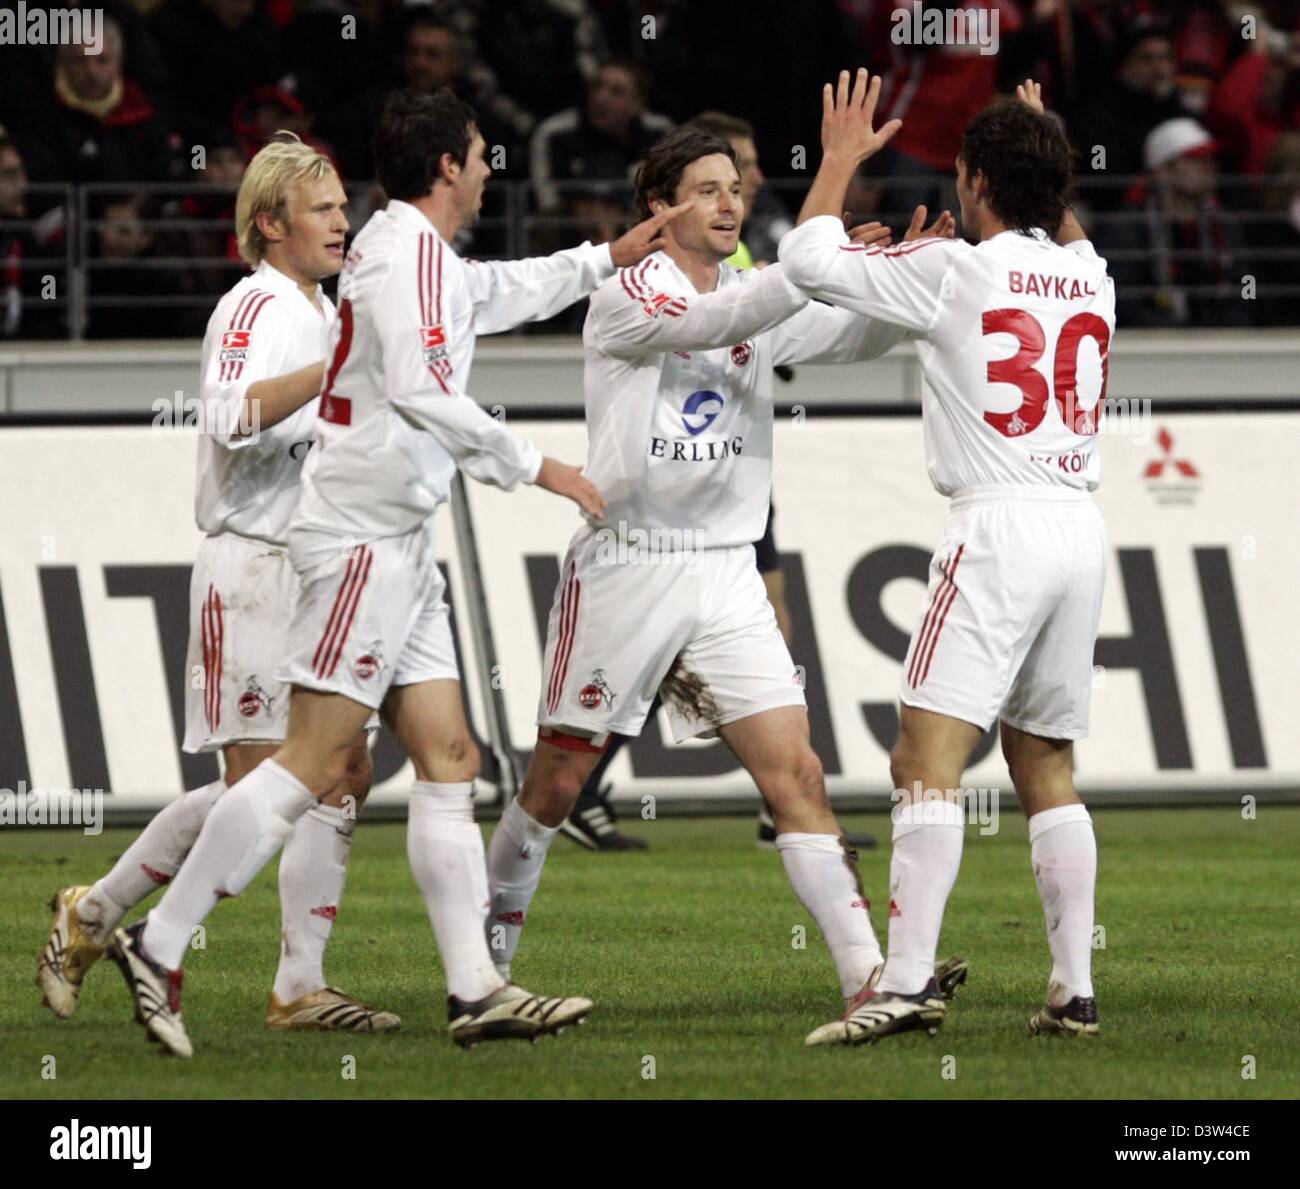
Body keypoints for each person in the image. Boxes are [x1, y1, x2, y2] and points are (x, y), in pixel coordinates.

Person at [105, 87, 680, 1057]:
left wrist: (602, 259)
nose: (492, 165)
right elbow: (418, 389)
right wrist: (536, 466)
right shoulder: (399, 253)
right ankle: (157, 943)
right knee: (312, 762)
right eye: (482, 153)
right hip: (360, 540)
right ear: (449, 166)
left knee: (450, 757)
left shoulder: (412, 252)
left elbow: (492, 294)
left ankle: (474, 988)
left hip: (400, 541)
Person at [483, 125, 966, 1034]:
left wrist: (905, 277)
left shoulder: (750, 289)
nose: (727, 202)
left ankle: (871, 982)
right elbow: (725, 321)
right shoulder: (627, 296)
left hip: (726, 572)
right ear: (657, 208)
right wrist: (825, 211)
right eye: (704, 189)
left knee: (800, 776)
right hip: (629, 567)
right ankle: (485, 966)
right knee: (554, 786)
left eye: (734, 187)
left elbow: (851, 337)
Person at [38, 133, 400, 1034]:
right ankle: (96, 914)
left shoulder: (326, 311)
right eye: (323, 209)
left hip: (319, 571)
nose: (342, 223)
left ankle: (299, 986)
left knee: (343, 768)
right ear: (270, 223)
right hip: (251, 569)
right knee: (261, 783)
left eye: (345, 208)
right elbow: (230, 415)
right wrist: (335, 370)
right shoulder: (255, 305)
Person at [780, 75, 1113, 1046]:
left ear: (970, 183)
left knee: (924, 757)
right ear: (1056, 187)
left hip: (997, 525)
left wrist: (840, 157)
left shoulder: (957, 271)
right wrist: (1041, 138)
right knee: (1044, 759)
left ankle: (908, 980)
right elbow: (1065, 224)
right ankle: (1072, 986)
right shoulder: (1091, 274)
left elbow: (805, 260)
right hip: (1076, 525)